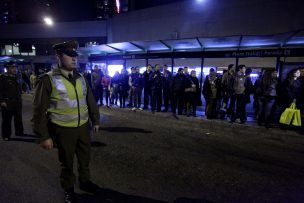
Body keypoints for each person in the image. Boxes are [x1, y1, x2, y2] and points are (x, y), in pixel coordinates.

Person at [32, 40, 101, 203]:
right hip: (63, 130)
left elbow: (90, 100)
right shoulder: (48, 80)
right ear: (58, 56)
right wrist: (43, 136)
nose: (74, 58)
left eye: (75, 55)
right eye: (69, 55)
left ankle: (84, 182)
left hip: (83, 127)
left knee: (85, 158)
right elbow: (39, 110)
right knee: (67, 162)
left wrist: (95, 120)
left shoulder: (81, 78)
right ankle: (69, 189)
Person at [0, 61, 24, 141]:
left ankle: (19, 132)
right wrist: (2, 101)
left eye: (15, 67)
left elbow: (20, 88)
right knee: (7, 120)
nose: (14, 69)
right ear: (7, 68)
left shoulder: (17, 77)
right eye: (12, 67)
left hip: (17, 101)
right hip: (7, 102)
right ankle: (6, 135)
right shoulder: (2, 78)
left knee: (18, 118)